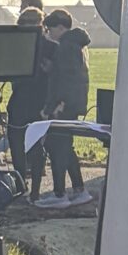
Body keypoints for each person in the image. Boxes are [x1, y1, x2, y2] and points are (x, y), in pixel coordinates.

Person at [42, 11, 94, 206]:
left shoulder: (66, 47)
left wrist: (57, 104)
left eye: (50, 28)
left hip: (63, 105)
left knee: (57, 148)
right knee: (65, 147)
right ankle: (79, 189)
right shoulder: (76, 46)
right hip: (71, 104)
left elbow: (66, 80)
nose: (48, 33)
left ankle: (59, 194)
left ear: (61, 27)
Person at [3, 6, 53, 199]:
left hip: (24, 100)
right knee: (33, 146)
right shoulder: (50, 47)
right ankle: (32, 189)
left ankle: (22, 185)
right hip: (35, 101)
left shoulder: (17, 45)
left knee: (20, 144)